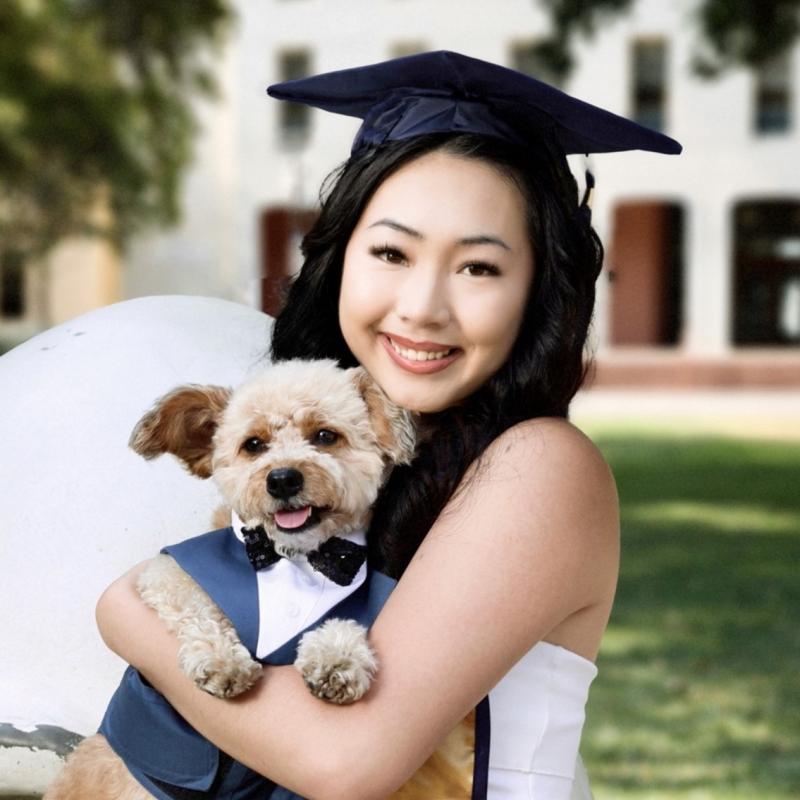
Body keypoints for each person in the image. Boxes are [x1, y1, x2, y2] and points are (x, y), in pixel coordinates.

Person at [94, 51, 681, 799]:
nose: (424, 306)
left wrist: (128, 612)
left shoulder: (540, 464)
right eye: (392, 252)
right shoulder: (351, 464)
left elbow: (344, 764)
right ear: (340, 259)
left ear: (538, 292)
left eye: (479, 267)